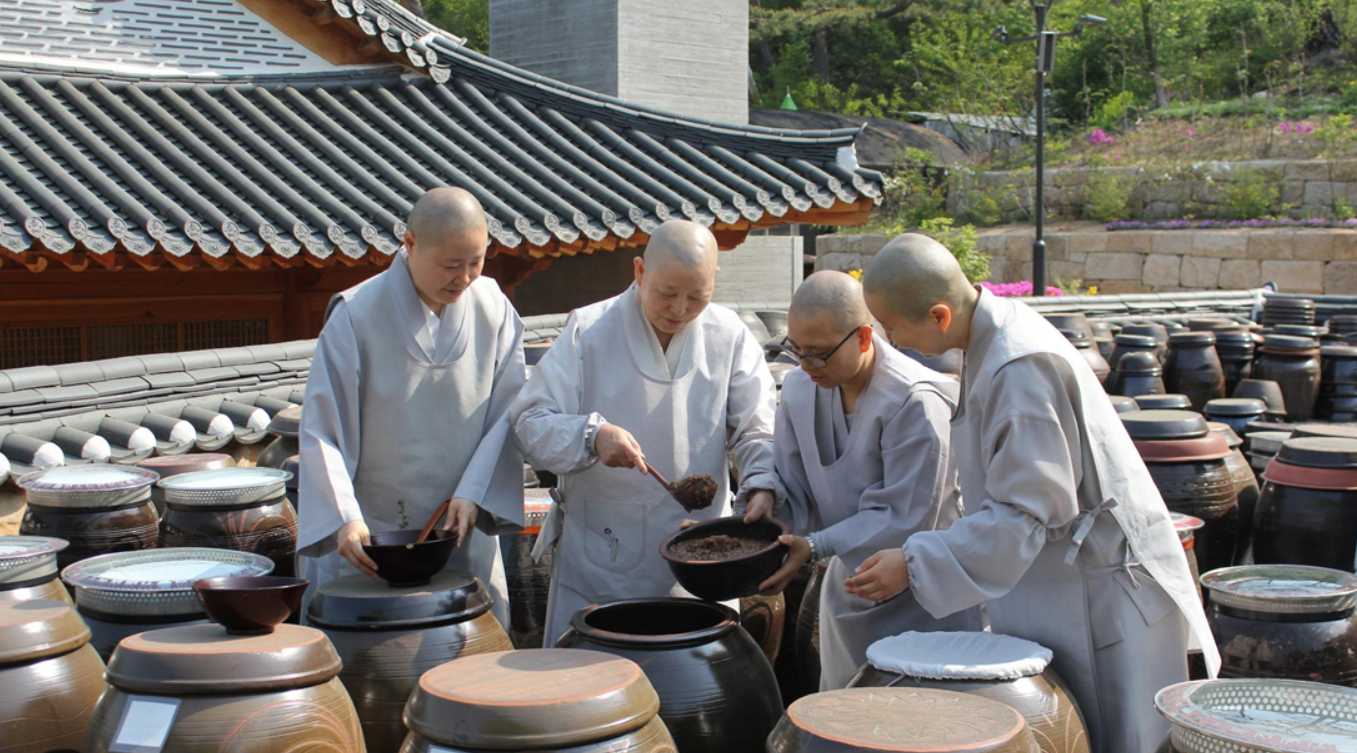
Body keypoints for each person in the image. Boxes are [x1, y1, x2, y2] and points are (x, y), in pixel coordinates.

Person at [845, 234, 1217, 753]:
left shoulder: (1018, 366)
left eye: (892, 326)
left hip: (1100, 592)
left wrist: (913, 561)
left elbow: (1026, 512)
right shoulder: (988, 336)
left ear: (938, 315)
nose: (890, 339)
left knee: (1116, 736)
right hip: (1064, 580)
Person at [511, 219, 778, 646]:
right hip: (604, 552)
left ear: (715, 280)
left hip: (703, 553)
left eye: (697, 296)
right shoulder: (589, 330)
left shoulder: (729, 336)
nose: (680, 309)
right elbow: (531, 423)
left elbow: (757, 429)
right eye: (667, 293)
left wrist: (762, 483)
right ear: (639, 272)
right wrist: (591, 437)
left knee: (697, 693)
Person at [297, 187, 527, 627]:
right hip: (370, 530)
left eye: (476, 262)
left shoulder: (494, 307)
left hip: (461, 521)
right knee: (366, 657)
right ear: (409, 243)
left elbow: (509, 413)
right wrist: (342, 517)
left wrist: (474, 491)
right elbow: (322, 429)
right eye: (450, 265)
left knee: (466, 647)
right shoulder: (356, 314)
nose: (464, 278)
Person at [760, 271, 981, 690]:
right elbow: (792, 486)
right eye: (797, 351)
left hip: (925, 591)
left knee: (923, 716)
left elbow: (904, 516)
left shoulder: (916, 399)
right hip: (850, 584)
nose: (806, 365)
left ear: (863, 337)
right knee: (845, 711)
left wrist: (817, 546)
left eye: (819, 354)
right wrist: (758, 516)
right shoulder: (799, 388)